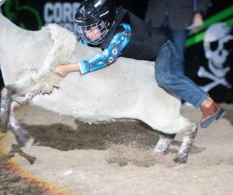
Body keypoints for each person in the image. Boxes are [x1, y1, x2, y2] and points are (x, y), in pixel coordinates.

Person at [54, 0, 225, 128]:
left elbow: (104, 59)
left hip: (163, 49)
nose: (88, 34)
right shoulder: (110, 24)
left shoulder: (121, 32)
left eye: (92, 28)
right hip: (145, 52)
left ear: (105, 22)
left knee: (165, 77)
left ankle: (208, 105)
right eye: (85, 29)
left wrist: (70, 68)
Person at [145, 0, 211, 76]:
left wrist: (199, 12)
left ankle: (176, 87)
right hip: (155, 15)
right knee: (152, 57)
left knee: (177, 59)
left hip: (181, 16)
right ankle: (150, 86)